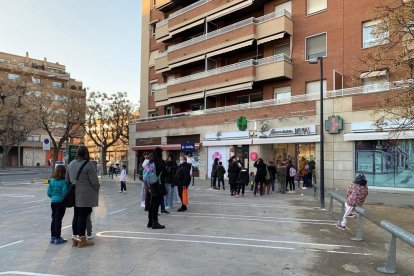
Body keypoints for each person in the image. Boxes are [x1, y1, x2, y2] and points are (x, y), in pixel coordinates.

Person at [66, 145, 100, 248]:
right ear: (86, 153)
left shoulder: (71, 164)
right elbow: (94, 181)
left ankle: (75, 240)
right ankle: (82, 241)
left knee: (76, 216)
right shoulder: (88, 165)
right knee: (83, 216)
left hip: (75, 194)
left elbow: (67, 179)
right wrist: (97, 188)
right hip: (86, 196)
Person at [146, 148, 167, 229]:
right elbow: (165, 174)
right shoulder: (160, 162)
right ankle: (155, 222)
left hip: (152, 184)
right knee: (156, 204)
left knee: (152, 202)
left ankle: (150, 221)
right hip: (159, 184)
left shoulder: (151, 161)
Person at [47, 165, 68, 244]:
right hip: (61, 203)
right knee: (59, 220)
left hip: (53, 202)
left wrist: (53, 197)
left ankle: (52, 237)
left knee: (54, 218)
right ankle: (58, 238)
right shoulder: (64, 182)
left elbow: (49, 192)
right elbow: (65, 192)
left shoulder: (52, 181)